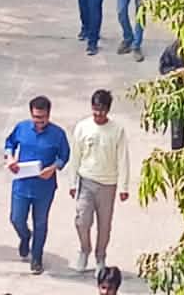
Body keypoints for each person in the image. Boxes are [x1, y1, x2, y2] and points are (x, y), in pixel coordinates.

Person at [4, 96, 71, 275]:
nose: (39, 121)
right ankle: (25, 236)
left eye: (42, 118)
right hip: (22, 183)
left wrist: (53, 168)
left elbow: (64, 156)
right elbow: (9, 144)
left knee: (40, 223)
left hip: (44, 187)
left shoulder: (58, 134)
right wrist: (10, 158)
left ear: (49, 115)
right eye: (35, 117)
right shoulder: (22, 128)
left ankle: (37, 257)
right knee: (16, 218)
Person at [70, 89, 133, 272]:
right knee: (82, 220)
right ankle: (84, 249)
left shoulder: (117, 130)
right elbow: (76, 156)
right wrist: (73, 183)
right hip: (86, 181)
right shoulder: (82, 127)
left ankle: (100, 257)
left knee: (104, 225)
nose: (98, 114)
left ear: (108, 110)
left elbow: (123, 158)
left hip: (108, 184)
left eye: (102, 110)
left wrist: (124, 186)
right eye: (95, 109)